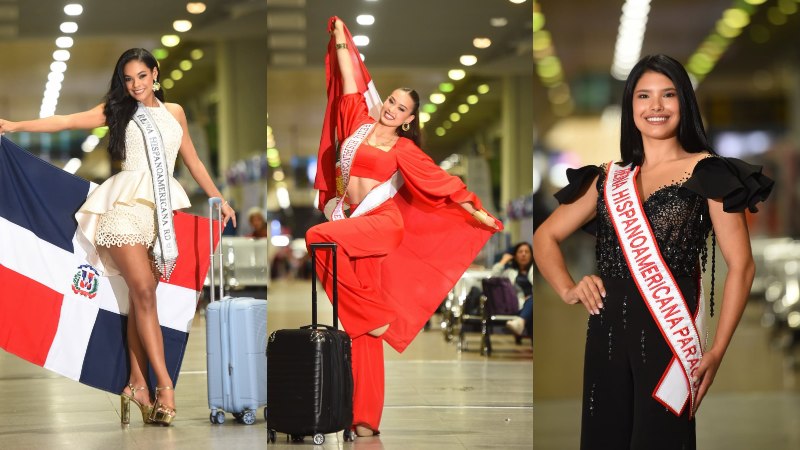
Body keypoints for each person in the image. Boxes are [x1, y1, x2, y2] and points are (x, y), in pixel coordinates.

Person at [532, 54, 773, 449]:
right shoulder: (609, 178)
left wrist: (718, 350)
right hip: (606, 337)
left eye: (668, 95)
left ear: (685, 103)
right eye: (644, 96)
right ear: (631, 107)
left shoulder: (710, 172)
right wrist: (568, 288)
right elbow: (544, 237)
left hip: (671, 339)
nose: (656, 107)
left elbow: (742, 267)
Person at [0, 48, 236, 426]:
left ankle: (136, 385)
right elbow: (66, 121)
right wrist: (15, 126)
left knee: (139, 302)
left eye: (142, 76)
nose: (135, 85)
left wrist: (219, 199)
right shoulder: (119, 110)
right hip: (122, 212)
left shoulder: (174, 112)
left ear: (155, 74)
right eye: (128, 79)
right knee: (144, 292)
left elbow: (191, 158)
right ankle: (165, 387)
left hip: (158, 218)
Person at [306, 17, 501, 437]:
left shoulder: (404, 148)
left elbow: (440, 182)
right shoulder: (355, 121)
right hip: (351, 222)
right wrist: (341, 38)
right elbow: (348, 77)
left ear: (409, 119)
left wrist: (477, 210)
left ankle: (371, 315)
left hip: (381, 226)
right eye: (390, 101)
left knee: (315, 236)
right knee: (362, 334)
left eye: (401, 108)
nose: (392, 108)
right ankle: (364, 420)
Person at [492, 242, 533, 338]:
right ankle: (521, 322)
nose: (523, 254)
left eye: (527, 252)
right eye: (520, 252)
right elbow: (493, 278)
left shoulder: (535, 269)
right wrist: (503, 260)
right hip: (518, 306)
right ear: (515, 255)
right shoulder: (509, 272)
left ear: (531, 255)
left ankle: (521, 322)